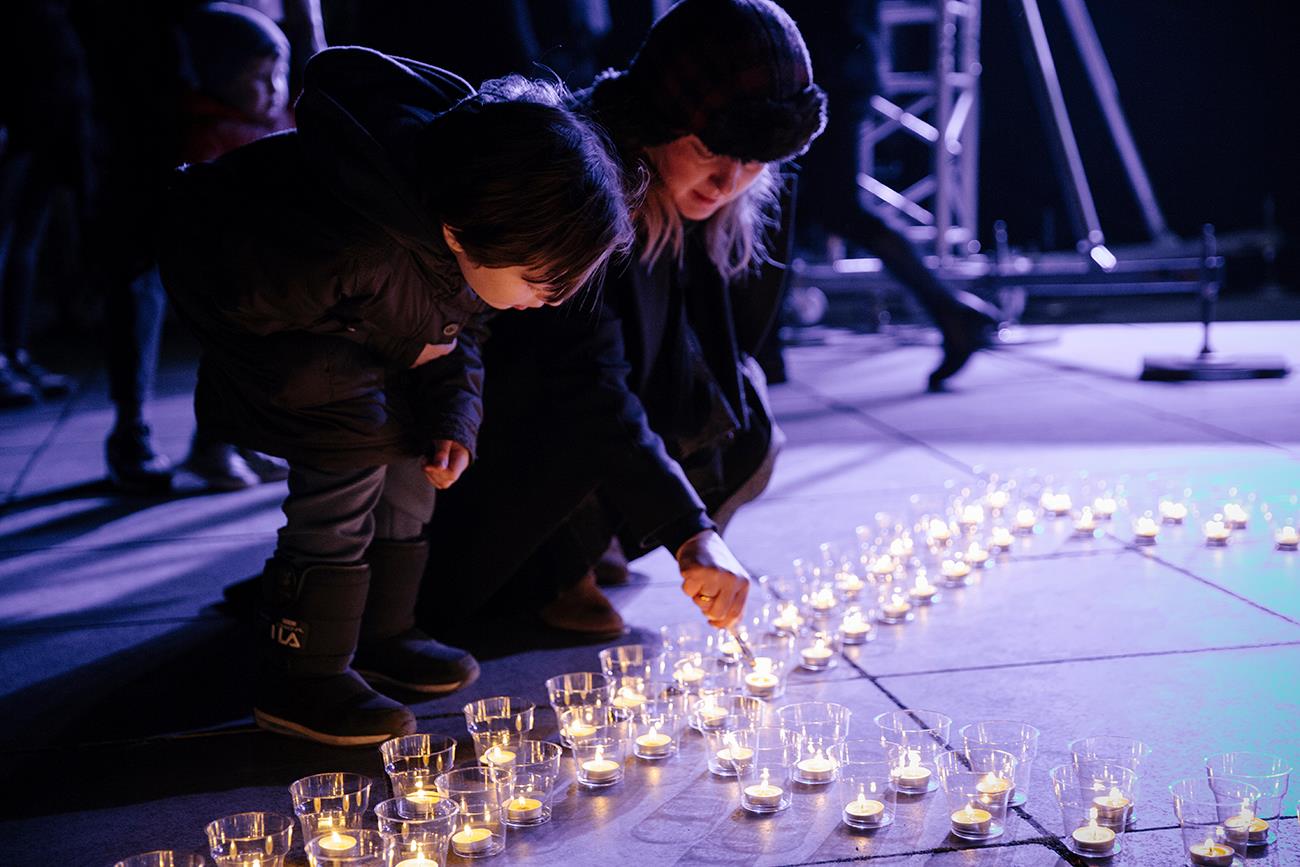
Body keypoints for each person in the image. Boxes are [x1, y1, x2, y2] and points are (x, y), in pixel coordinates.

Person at [158, 46, 633, 745]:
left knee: (416, 453)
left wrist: (453, 416)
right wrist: (380, 342)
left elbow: (456, 331)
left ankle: (385, 632)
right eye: (542, 281)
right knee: (348, 466)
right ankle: (303, 673)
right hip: (282, 345)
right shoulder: (348, 244)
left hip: (363, 342)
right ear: (466, 234)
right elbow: (244, 301)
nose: (551, 300)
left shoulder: (461, 236)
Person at [419, 0, 826, 638]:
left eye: (753, 163)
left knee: (744, 414)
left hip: (600, 409)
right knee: (596, 407)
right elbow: (585, 386)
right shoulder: (583, 185)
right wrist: (688, 531)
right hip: (505, 435)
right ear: (656, 123)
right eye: (708, 151)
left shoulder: (725, 200)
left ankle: (591, 540)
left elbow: (729, 353)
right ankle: (547, 572)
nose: (728, 181)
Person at [783, 0, 1001, 391]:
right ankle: (951, 312)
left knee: (811, 211)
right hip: (832, 66)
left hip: (823, 68)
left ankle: (951, 312)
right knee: (812, 211)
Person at [175, 2, 296, 489]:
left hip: (272, 279)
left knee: (261, 373)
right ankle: (211, 450)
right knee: (230, 370)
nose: (274, 89)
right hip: (234, 282)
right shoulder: (207, 136)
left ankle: (246, 442)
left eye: (279, 75)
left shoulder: (277, 124)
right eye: (258, 78)